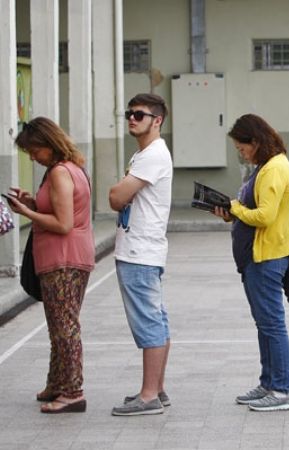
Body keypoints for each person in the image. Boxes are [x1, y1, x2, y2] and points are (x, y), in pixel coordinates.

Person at [211, 114, 289, 411]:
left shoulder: (274, 169)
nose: (241, 153)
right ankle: (269, 383)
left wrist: (234, 208)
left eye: (242, 147)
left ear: (256, 142)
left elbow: (265, 216)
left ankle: (283, 389)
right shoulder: (265, 167)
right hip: (256, 256)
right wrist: (232, 213)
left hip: (268, 257)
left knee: (273, 324)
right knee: (265, 324)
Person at [9, 117, 94, 414]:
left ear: (49, 144)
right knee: (59, 325)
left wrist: (25, 213)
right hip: (69, 257)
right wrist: (32, 203)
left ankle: (72, 391)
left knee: (64, 327)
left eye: (34, 150)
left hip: (63, 259)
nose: (32, 157)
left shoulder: (59, 172)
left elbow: (62, 223)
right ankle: (57, 382)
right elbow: (58, 210)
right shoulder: (71, 168)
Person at [108, 93, 174, 416]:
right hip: (143, 250)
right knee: (156, 320)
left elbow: (116, 196)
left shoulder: (153, 155)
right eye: (129, 114)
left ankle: (148, 396)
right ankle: (157, 390)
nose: (132, 119)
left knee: (149, 323)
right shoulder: (146, 154)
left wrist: (116, 190)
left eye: (140, 114)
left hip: (140, 252)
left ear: (157, 120)